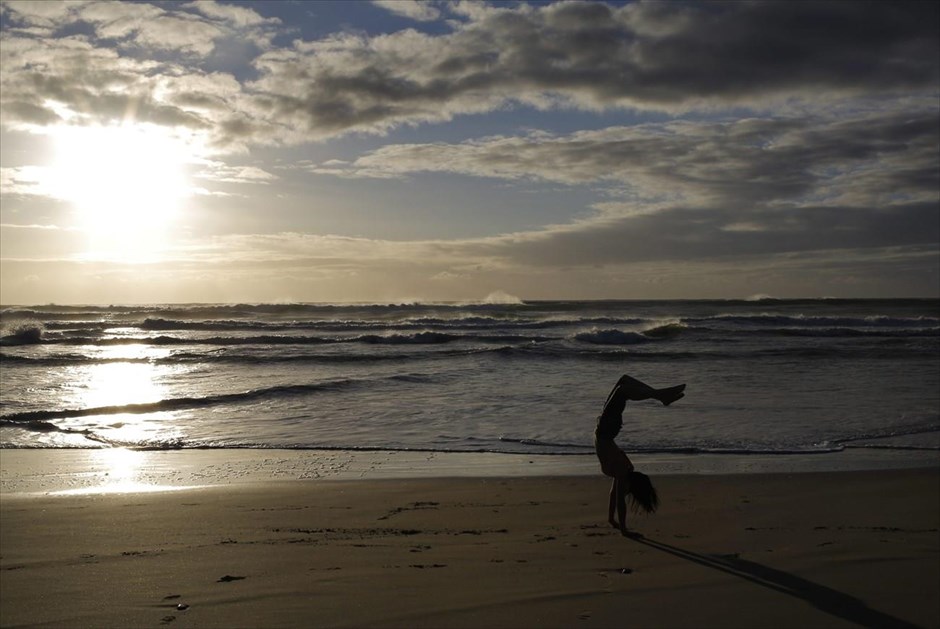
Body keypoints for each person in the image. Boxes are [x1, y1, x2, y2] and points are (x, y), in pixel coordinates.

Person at [595, 374, 685, 536]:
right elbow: (616, 496)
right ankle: (661, 396)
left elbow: (617, 498)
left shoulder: (622, 471)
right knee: (623, 382)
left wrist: (620, 527)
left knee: (623, 387)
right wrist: (612, 520)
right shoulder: (622, 470)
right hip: (606, 429)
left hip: (606, 429)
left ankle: (660, 396)